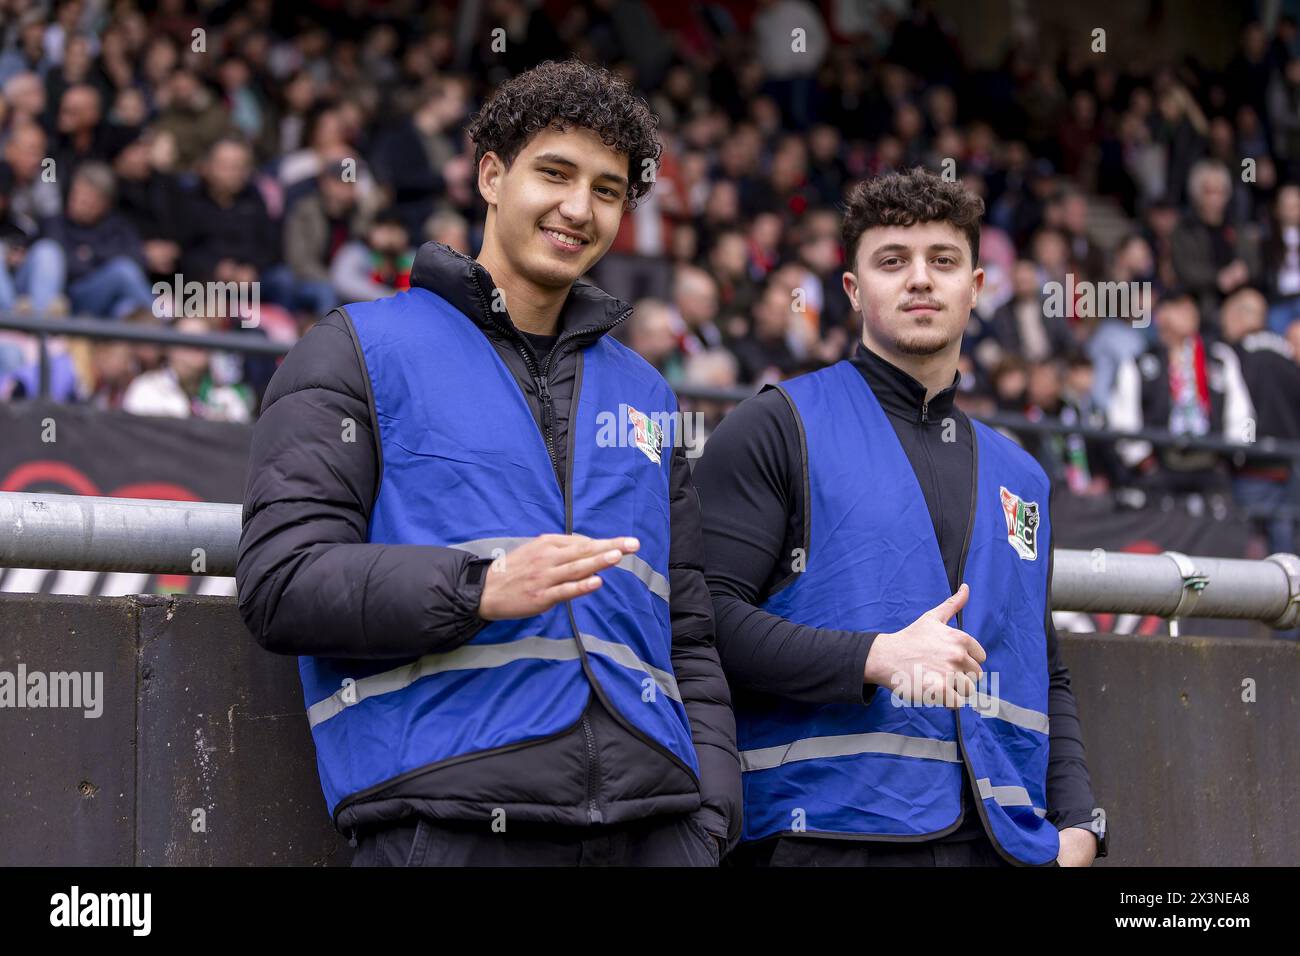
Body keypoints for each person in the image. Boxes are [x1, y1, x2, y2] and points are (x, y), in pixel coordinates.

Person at [236, 59, 740, 867]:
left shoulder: (647, 392)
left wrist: (711, 815)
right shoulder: (355, 349)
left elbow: (688, 632)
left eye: (608, 190)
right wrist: (479, 588)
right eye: (555, 173)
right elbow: (281, 581)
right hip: (450, 819)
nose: (579, 208)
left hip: (658, 823)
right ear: (492, 176)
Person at [693, 168, 1107, 866]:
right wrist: (873, 658)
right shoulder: (776, 425)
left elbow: (1046, 672)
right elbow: (701, 619)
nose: (920, 279)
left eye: (943, 261)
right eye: (893, 261)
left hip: (1004, 845)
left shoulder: (1023, 477)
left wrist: (1082, 827)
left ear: (976, 288)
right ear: (853, 290)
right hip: (825, 835)